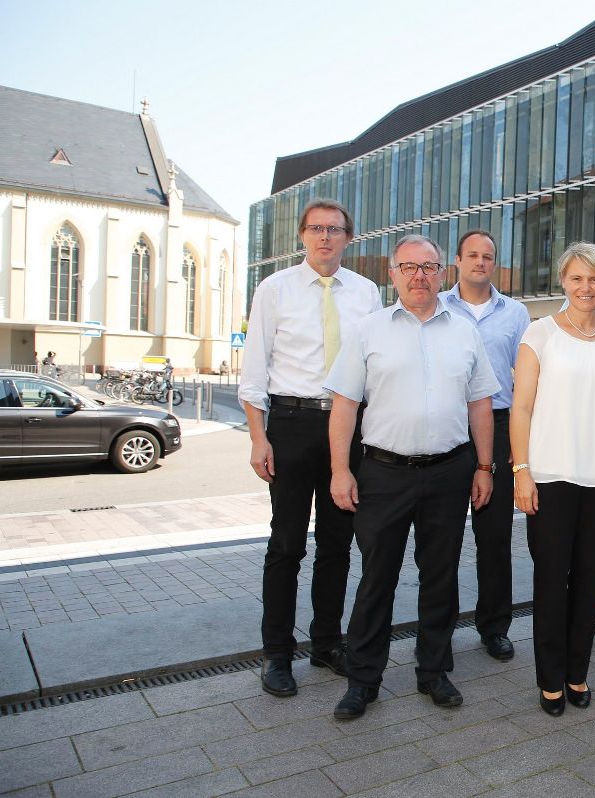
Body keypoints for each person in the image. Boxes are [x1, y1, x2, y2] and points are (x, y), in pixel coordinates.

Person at [325, 234, 498, 720]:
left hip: (449, 471)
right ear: (393, 273)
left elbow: (480, 403)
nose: (420, 275)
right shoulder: (368, 330)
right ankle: (363, 680)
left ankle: (434, 672)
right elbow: (343, 406)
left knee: (440, 577)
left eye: (429, 267)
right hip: (383, 474)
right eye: (409, 267)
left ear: (443, 274)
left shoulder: (465, 331)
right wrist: (340, 471)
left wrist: (484, 467)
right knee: (377, 578)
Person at [239, 199, 382, 698]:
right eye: (316, 229)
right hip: (293, 424)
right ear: (302, 236)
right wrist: (259, 437)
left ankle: (326, 643)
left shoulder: (367, 294)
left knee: (339, 545)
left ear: (349, 237)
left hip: (349, 428)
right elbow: (254, 370)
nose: (325, 237)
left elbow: (375, 364)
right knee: (286, 546)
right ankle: (277, 655)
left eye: (335, 230)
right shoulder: (274, 289)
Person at [510, 241, 595, 716]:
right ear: (563, 281)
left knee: (589, 582)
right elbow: (520, 408)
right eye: (578, 278)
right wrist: (521, 471)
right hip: (551, 476)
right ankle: (549, 680)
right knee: (550, 580)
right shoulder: (539, 335)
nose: (587, 288)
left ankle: (577, 673)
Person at [441, 229, 531, 662]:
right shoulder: (435, 307)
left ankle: (494, 627)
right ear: (457, 260)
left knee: (493, 537)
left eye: (488, 256)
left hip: (496, 427)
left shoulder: (515, 314)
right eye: (472, 255)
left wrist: (519, 440)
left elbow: (528, 381)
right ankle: (438, 627)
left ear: (495, 263)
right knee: (442, 539)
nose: (480, 261)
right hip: (446, 426)